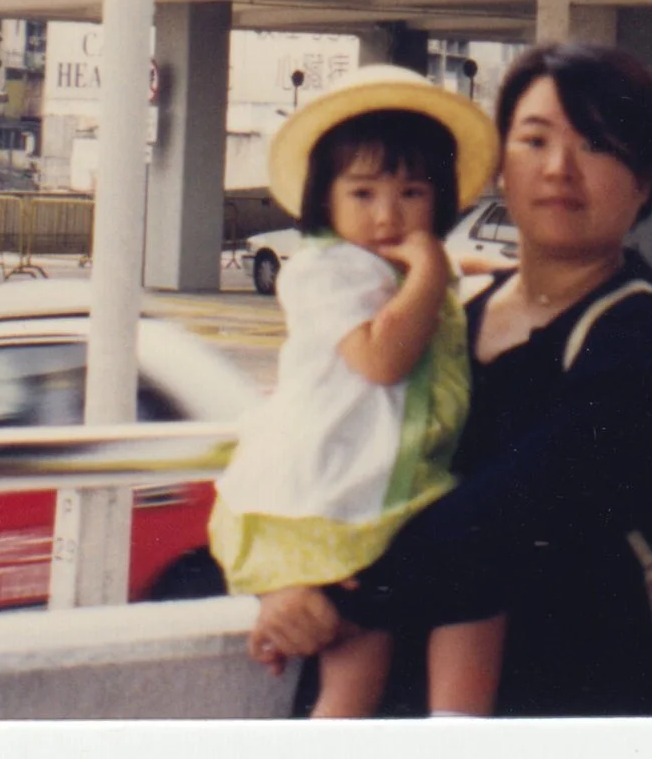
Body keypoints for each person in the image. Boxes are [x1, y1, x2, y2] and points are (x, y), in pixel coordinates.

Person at [246, 43, 652, 716]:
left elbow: (511, 517)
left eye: (597, 145)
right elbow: (310, 445)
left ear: (644, 182)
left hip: (558, 701)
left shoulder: (646, 345)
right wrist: (283, 579)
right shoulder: (442, 317)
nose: (558, 169)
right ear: (499, 170)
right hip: (390, 695)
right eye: (534, 139)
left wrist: (337, 594)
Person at [207, 66, 508, 717]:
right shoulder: (325, 269)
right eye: (363, 192)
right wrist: (431, 266)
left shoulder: (385, 265)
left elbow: (452, 278)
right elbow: (382, 359)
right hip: (335, 499)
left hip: (373, 495)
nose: (387, 214)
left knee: (359, 672)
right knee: (449, 598)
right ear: (325, 197)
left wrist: (463, 268)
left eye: (412, 192)